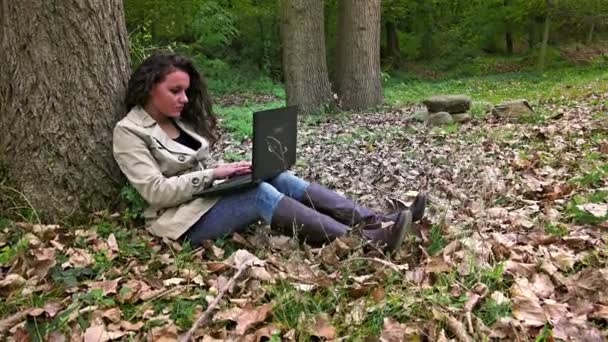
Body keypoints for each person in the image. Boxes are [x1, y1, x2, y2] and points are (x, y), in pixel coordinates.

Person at [113, 52, 426, 253]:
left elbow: (203, 170)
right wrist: (214, 175)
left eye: (186, 91)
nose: (184, 99)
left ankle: (375, 221)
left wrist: (235, 172)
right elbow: (155, 192)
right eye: (175, 91)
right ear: (150, 87)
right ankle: (365, 244)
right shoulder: (130, 132)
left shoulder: (179, 121)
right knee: (259, 193)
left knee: (277, 175)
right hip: (178, 222)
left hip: (206, 200)